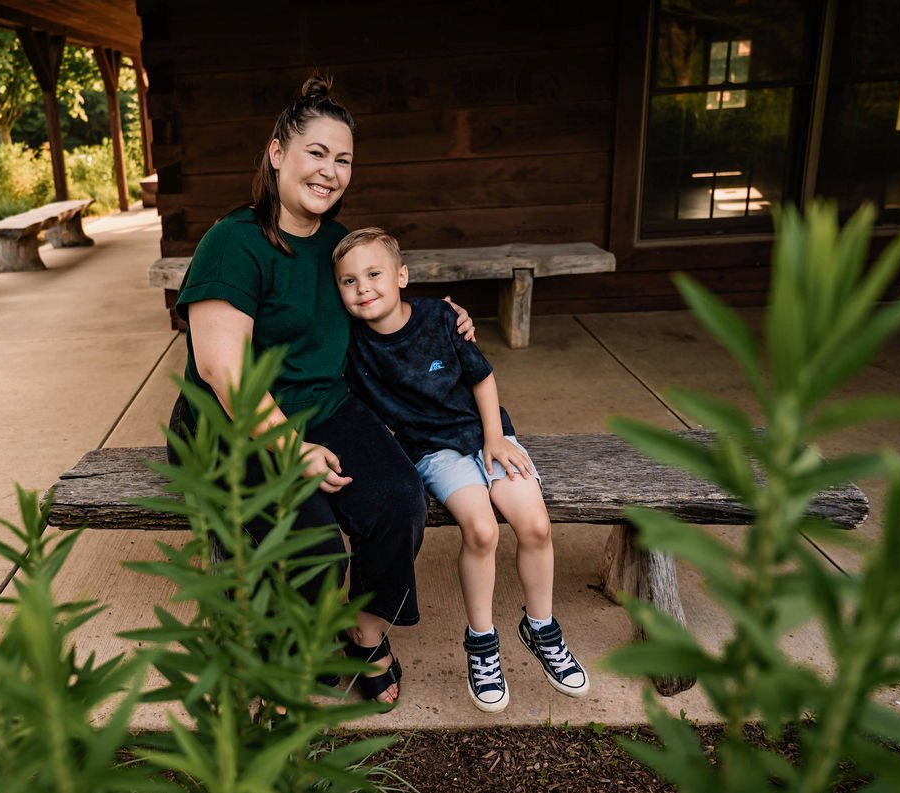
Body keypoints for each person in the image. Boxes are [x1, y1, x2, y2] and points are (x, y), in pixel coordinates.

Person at [166, 76, 473, 705]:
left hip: (323, 407)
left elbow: (382, 306)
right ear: (277, 152)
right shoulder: (234, 243)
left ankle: (362, 639)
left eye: (343, 160)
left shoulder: (339, 246)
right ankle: (286, 663)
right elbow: (224, 370)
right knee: (312, 543)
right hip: (230, 425)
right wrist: (289, 447)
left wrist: (442, 320)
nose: (330, 172)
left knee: (399, 499)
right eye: (316, 153)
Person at [333, 227, 590, 713]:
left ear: (402, 276)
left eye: (373, 274)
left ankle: (542, 630)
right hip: (434, 452)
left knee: (535, 524)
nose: (363, 287)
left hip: (488, 435)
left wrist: (495, 438)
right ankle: (482, 642)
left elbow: (483, 377)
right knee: (481, 530)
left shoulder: (439, 317)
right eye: (349, 281)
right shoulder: (351, 344)